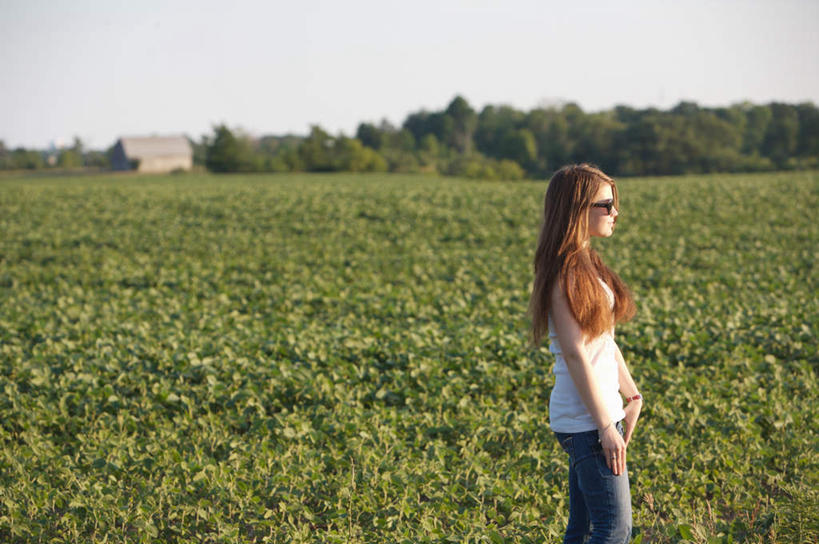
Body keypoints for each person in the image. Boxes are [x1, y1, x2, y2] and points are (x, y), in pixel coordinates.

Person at [528, 164, 643, 544]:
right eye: (606, 204)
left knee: (583, 530)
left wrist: (632, 394)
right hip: (586, 421)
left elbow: (603, 341)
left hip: (594, 416)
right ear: (578, 208)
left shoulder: (587, 263)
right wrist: (606, 425)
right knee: (614, 530)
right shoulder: (565, 270)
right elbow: (576, 354)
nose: (615, 212)